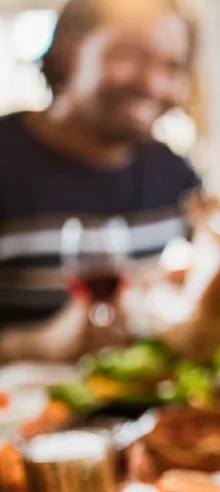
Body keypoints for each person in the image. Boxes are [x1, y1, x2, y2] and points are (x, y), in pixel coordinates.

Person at [0, 0, 200, 361]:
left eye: (172, 66)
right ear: (70, 51)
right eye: (131, 54)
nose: (153, 83)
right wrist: (38, 344)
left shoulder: (175, 174)